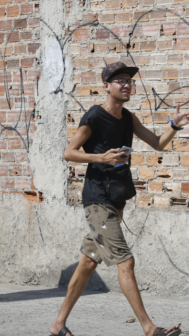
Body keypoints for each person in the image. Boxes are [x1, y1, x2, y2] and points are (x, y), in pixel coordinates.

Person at [49, 62, 187, 336]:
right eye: (120, 80)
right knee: (125, 261)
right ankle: (149, 328)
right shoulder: (95, 116)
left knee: (88, 262)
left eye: (129, 81)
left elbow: (157, 143)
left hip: (116, 197)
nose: (126, 85)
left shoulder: (128, 118)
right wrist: (100, 157)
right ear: (106, 86)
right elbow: (69, 152)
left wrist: (174, 125)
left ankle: (57, 325)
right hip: (97, 199)